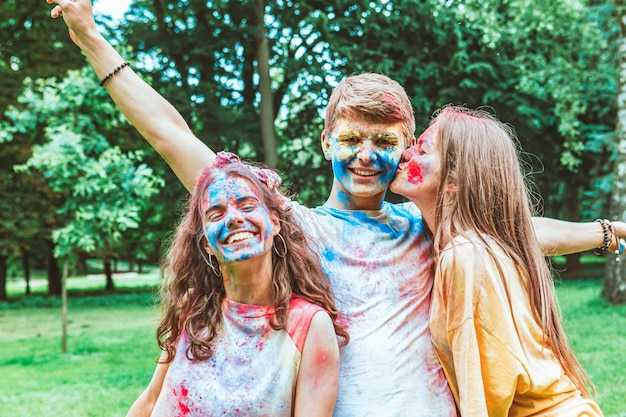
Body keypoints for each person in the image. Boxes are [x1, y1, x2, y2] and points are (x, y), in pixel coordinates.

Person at [46, 1, 623, 415]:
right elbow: (173, 137)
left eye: (385, 142)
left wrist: (607, 232)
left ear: (409, 145)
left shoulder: (426, 226)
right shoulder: (293, 227)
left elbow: (518, 231)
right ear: (326, 143)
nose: (366, 157)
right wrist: (91, 37)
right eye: (350, 141)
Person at [391, 105, 607, 416]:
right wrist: (608, 232)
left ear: (454, 179)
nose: (404, 154)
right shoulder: (487, 242)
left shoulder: (463, 256)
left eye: (422, 148)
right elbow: (528, 229)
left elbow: (483, 391)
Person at [126, 154, 347, 417]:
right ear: (206, 242)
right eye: (216, 214)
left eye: (247, 205)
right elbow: (151, 401)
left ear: (275, 222)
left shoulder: (308, 325)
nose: (233, 219)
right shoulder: (194, 309)